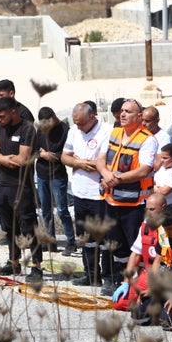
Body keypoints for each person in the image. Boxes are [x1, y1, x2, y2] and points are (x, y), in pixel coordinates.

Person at [96, 99, 156, 296]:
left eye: (128, 112)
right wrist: (106, 175)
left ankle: (134, 284)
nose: (122, 114)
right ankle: (115, 280)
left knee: (133, 247)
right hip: (111, 200)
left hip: (134, 205)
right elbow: (101, 159)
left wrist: (116, 179)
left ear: (139, 117)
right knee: (114, 244)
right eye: (122, 111)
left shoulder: (148, 139)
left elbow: (144, 170)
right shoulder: (114, 133)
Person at [0, 97, 41, 281]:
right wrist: (1, 159)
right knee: (9, 226)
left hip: (21, 186)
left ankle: (37, 266)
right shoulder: (2, 127)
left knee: (28, 226)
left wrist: (5, 158)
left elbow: (23, 157)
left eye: (2, 117)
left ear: (13, 112)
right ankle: (13, 262)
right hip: (3, 185)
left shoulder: (27, 129)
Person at [62, 102, 112, 286]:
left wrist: (80, 161)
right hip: (80, 192)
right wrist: (81, 163)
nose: (78, 127)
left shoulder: (106, 130)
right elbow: (64, 157)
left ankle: (108, 277)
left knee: (104, 238)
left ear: (92, 117)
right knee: (85, 238)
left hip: (98, 194)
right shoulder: (74, 131)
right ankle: (91, 275)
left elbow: (102, 161)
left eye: (82, 123)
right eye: (76, 123)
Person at [111, 193, 167, 312]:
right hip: (147, 275)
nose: (149, 213)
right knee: (120, 303)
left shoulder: (170, 225)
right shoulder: (146, 225)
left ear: (163, 207)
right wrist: (126, 282)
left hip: (165, 277)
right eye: (147, 209)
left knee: (143, 311)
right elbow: (135, 254)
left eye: (152, 209)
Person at [35, 107, 75, 255]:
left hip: (57, 175)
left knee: (62, 209)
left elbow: (67, 153)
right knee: (45, 209)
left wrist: (54, 156)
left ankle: (71, 241)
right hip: (41, 174)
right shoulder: (39, 129)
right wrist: (42, 154)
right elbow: (32, 149)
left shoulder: (65, 130)